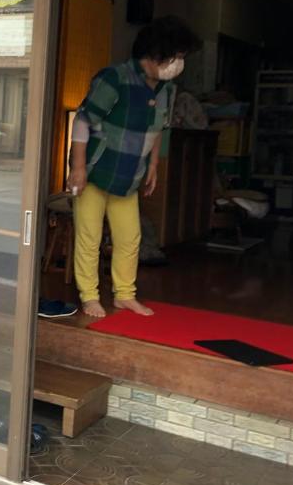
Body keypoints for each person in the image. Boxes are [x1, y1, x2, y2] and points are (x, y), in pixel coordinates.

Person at [67, 16, 202, 318]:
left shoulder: (166, 89)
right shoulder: (114, 78)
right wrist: (78, 167)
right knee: (89, 236)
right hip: (96, 169)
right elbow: (83, 120)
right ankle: (89, 296)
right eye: (176, 56)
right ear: (154, 54)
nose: (178, 63)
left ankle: (124, 295)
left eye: (182, 57)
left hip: (129, 174)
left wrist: (153, 164)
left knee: (130, 237)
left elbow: (157, 130)